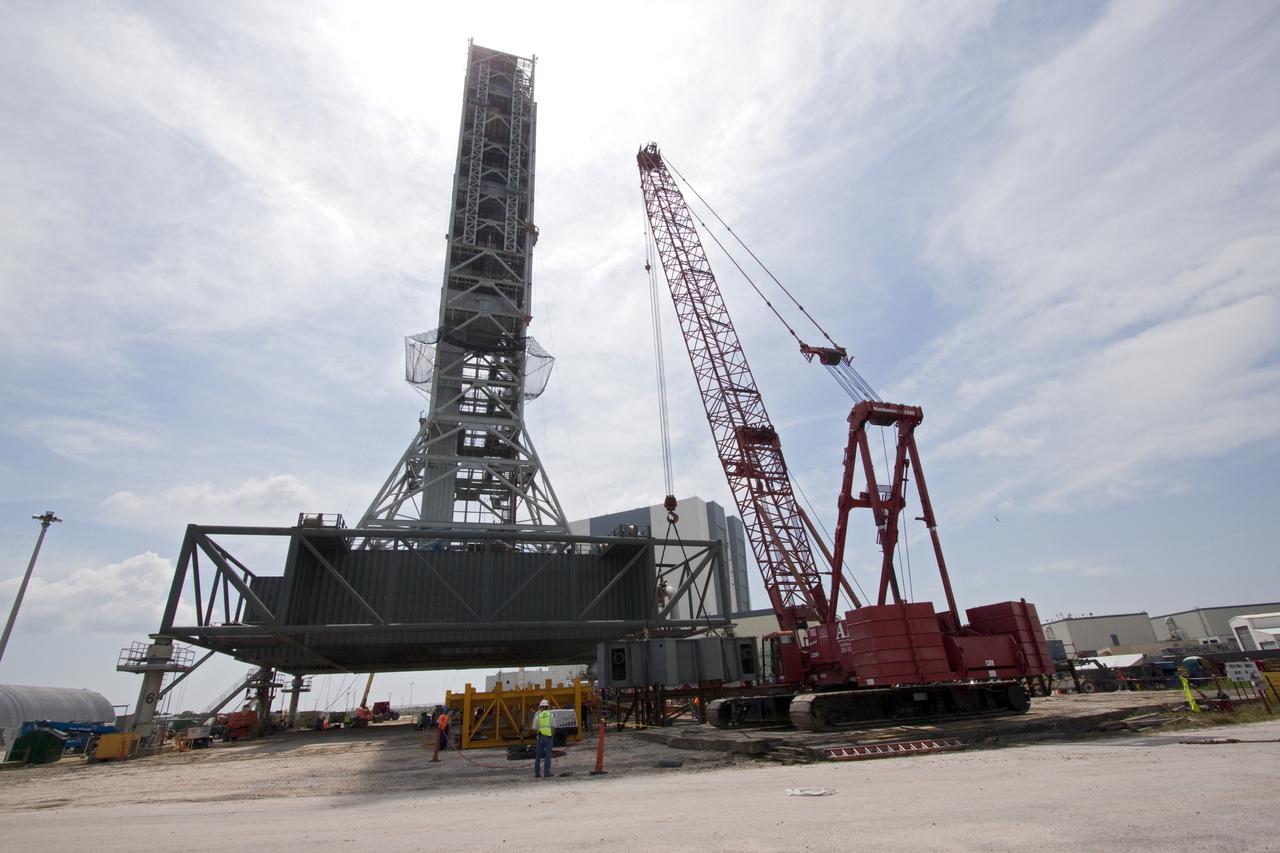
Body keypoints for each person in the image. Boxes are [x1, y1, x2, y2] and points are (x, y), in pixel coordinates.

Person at [533, 699, 554, 779]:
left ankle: (537, 773)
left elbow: (534, 728)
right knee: (548, 755)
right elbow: (553, 727)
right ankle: (546, 773)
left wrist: (539, 732)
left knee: (538, 755)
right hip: (548, 738)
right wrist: (551, 736)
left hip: (540, 737)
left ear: (540, 707)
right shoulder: (550, 715)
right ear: (547, 707)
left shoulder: (537, 715)